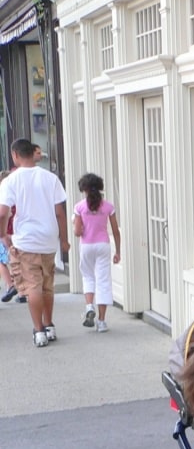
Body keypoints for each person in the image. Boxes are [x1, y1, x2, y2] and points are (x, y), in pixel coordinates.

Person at [0, 138, 69, 347]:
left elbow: (3, 212)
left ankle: (38, 330)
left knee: (33, 287)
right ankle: (49, 325)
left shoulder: (10, 180)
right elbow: (60, 213)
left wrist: (3, 234)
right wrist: (64, 241)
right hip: (48, 239)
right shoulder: (51, 178)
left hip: (26, 241)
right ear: (33, 153)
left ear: (15, 155)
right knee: (47, 284)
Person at [73, 173, 121, 332]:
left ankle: (89, 306)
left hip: (86, 245)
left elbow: (77, 232)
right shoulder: (108, 207)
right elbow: (115, 231)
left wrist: (76, 223)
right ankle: (101, 321)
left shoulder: (79, 207)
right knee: (103, 280)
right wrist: (118, 251)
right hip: (103, 245)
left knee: (88, 276)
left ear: (84, 189)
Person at [0, 170, 17, 302]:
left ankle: (11, 285)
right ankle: (22, 291)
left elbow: (4, 215)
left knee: (2, 261)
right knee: (16, 260)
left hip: (5, 233)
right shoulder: (18, 195)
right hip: (18, 232)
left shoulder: (4, 197)